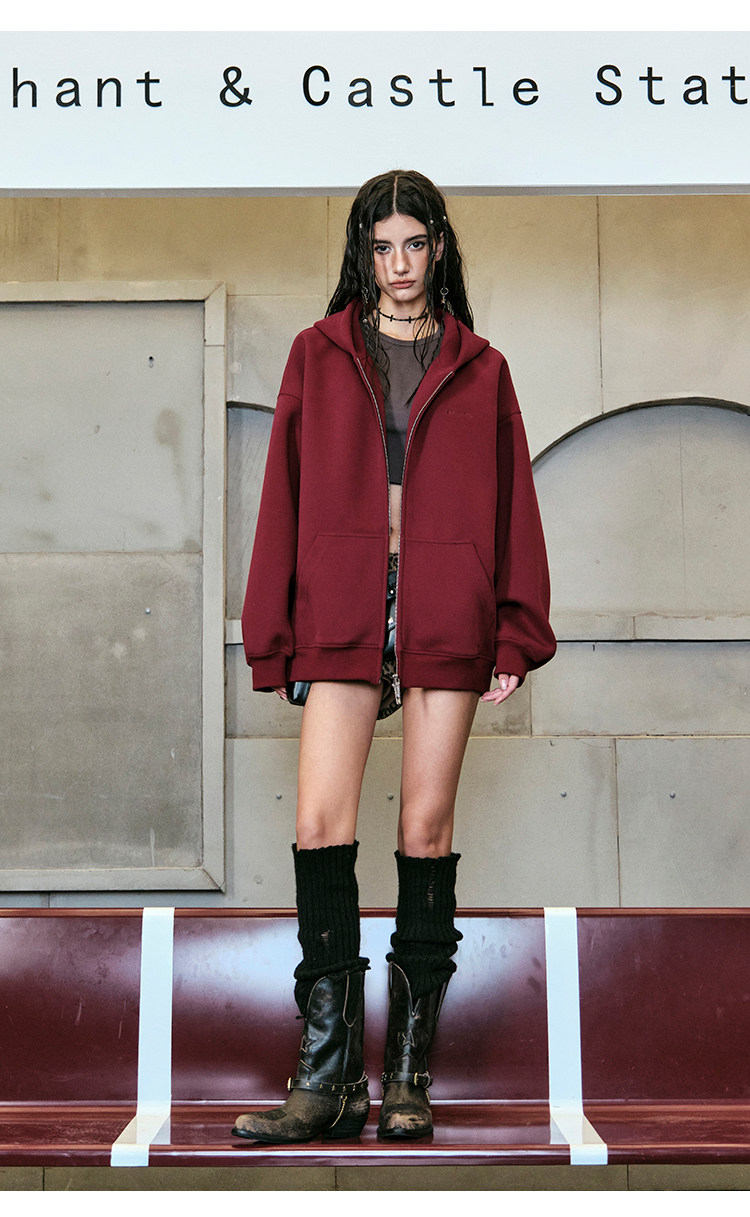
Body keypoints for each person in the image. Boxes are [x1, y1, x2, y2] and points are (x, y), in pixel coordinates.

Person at [232, 169, 556, 1145]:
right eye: (382, 247)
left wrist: (515, 627)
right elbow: (284, 493)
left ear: (439, 248)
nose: (399, 264)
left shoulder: (483, 368)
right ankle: (327, 1077)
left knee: (424, 827)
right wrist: (273, 631)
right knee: (320, 823)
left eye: (414, 244)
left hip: (446, 603)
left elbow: (514, 503)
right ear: (362, 254)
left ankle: (408, 1073)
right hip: (341, 596)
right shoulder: (318, 351)